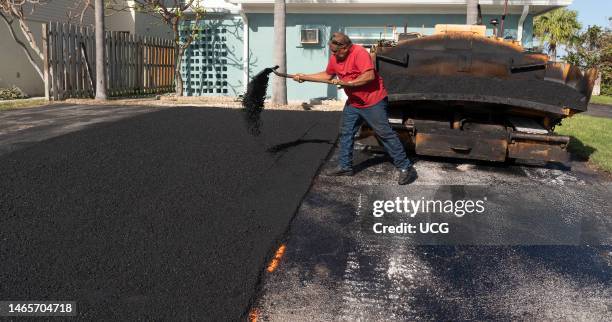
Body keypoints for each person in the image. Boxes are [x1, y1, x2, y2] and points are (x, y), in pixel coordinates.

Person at [293, 32, 417, 185]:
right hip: (354, 103)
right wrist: (305, 77)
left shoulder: (359, 53)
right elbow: (327, 75)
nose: (333, 54)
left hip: (373, 101)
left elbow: (369, 76)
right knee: (346, 132)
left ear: (345, 48)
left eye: (336, 51)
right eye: (332, 51)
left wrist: (349, 83)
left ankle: (405, 167)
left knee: (385, 134)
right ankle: (345, 167)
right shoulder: (335, 58)